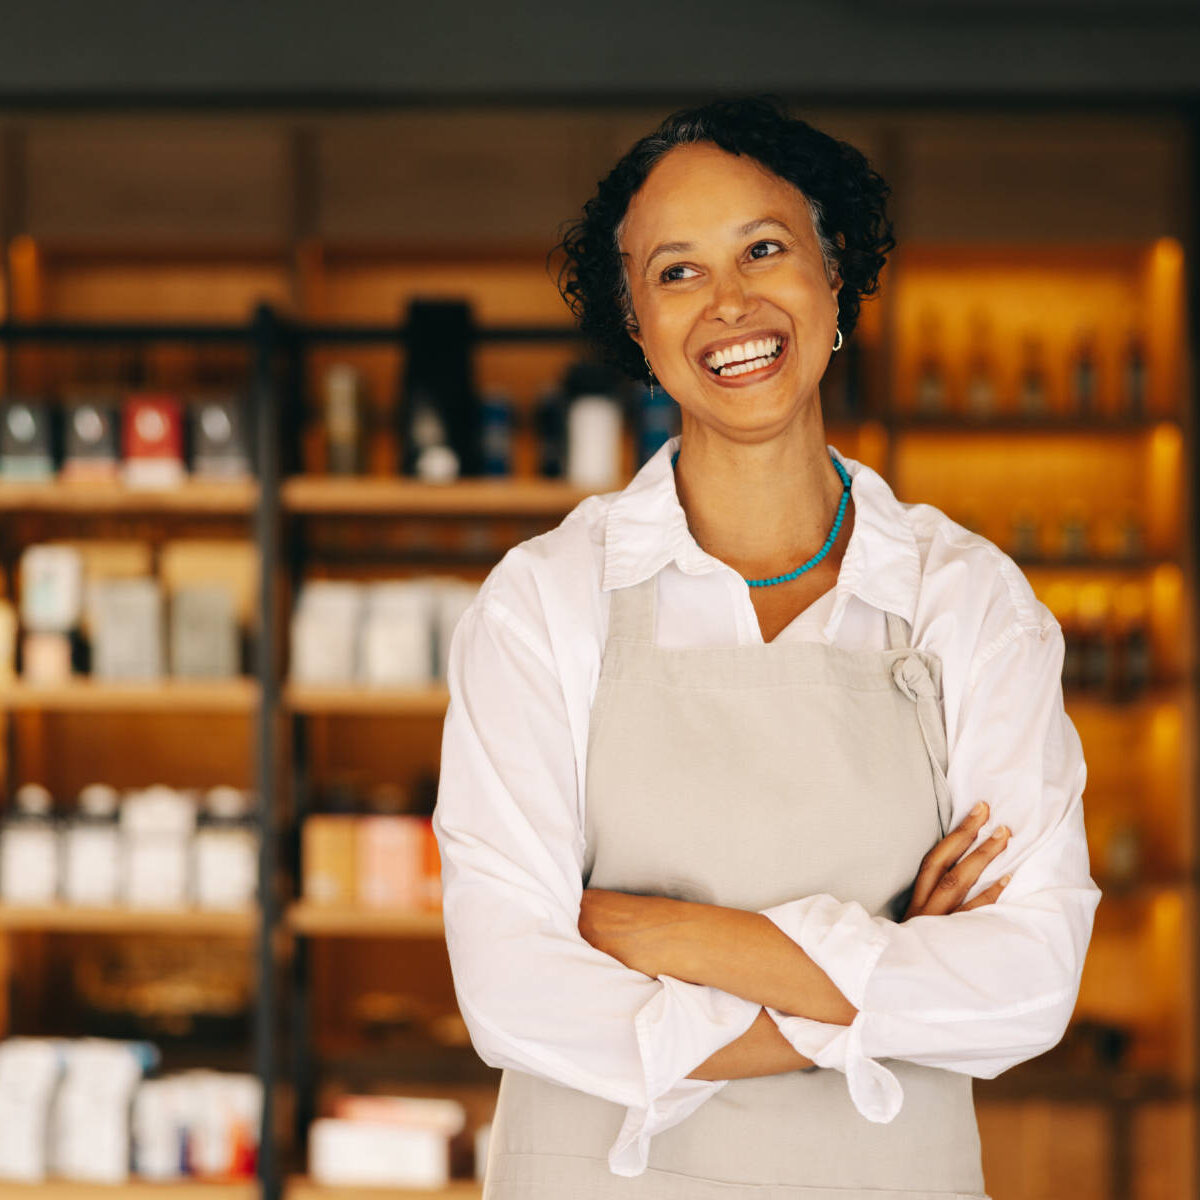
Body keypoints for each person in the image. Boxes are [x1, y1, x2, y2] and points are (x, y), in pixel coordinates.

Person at [432, 96, 1100, 1199]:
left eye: (766, 248)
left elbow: (1029, 983)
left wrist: (671, 936)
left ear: (835, 280)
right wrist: (882, 983)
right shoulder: (544, 604)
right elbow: (511, 989)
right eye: (677, 272)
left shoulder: (968, 601)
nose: (729, 302)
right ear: (636, 328)